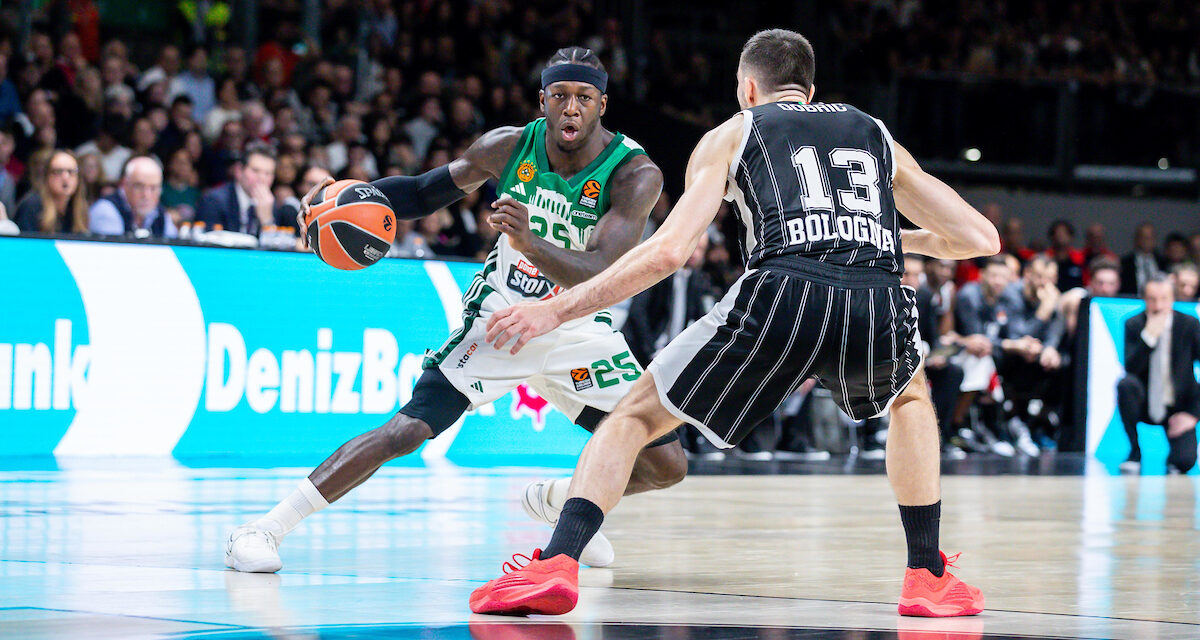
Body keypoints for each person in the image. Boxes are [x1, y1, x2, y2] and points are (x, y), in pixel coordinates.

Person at [471, 29, 997, 618]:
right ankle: (926, 574)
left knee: (636, 416)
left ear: (748, 88)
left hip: (784, 288)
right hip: (875, 294)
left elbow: (668, 251)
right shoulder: (873, 132)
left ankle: (557, 562)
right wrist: (885, 233)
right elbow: (979, 238)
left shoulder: (734, 131)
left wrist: (556, 308)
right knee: (911, 400)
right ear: (811, 89)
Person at [224, 47, 688, 574]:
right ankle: (263, 528)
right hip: (502, 318)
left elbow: (601, 270)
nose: (571, 109)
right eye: (560, 96)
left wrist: (531, 242)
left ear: (602, 105)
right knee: (408, 430)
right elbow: (421, 194)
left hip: (580, 325)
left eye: (584, 98)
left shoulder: (634, 173)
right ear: (543, 100)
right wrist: (343, 198)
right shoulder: (508, 146)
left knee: (665, 462)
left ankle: (561, 500)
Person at [1117, 275, 1199, 475]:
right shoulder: (1134, 324)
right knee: (1125, 385)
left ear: (1172, 299)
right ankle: (1135, 452)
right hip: (1145, 402)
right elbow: (1130, 369)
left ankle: (1174, 458)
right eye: (1152, 299)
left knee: (1184, 461)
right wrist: (1148, 338)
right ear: (1144, 299)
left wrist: (1193, 415)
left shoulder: (1189, 324)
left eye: (1164, 298)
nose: (1158, 305)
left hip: (1177, 407)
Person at [196, 143, 284, 235]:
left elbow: (273, 246)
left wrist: (267, 220)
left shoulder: (269, 204)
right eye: (255, 171)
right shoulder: (214, 200)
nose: (262, 179)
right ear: (239, 171)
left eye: (268, 173)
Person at [88, 156, 177, 238]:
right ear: (124, 184)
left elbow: (174, 247)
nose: (146, 195)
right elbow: (113, 252)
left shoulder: (161, 214)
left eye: (153, 188)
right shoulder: (106, 210)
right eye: (139, 186)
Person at [13, 149, 89, 234]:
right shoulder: (31, 206)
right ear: (47, 177)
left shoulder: (79, 208)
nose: (65, 177)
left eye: (71, 172)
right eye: (58, 172)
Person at [1121, 222, 1164, 295]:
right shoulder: (1125, 263)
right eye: (1143, 237)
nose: (1147, 241)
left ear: (1155, 240)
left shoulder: (1163, 262)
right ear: (1136, 239)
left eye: (1150, 237)